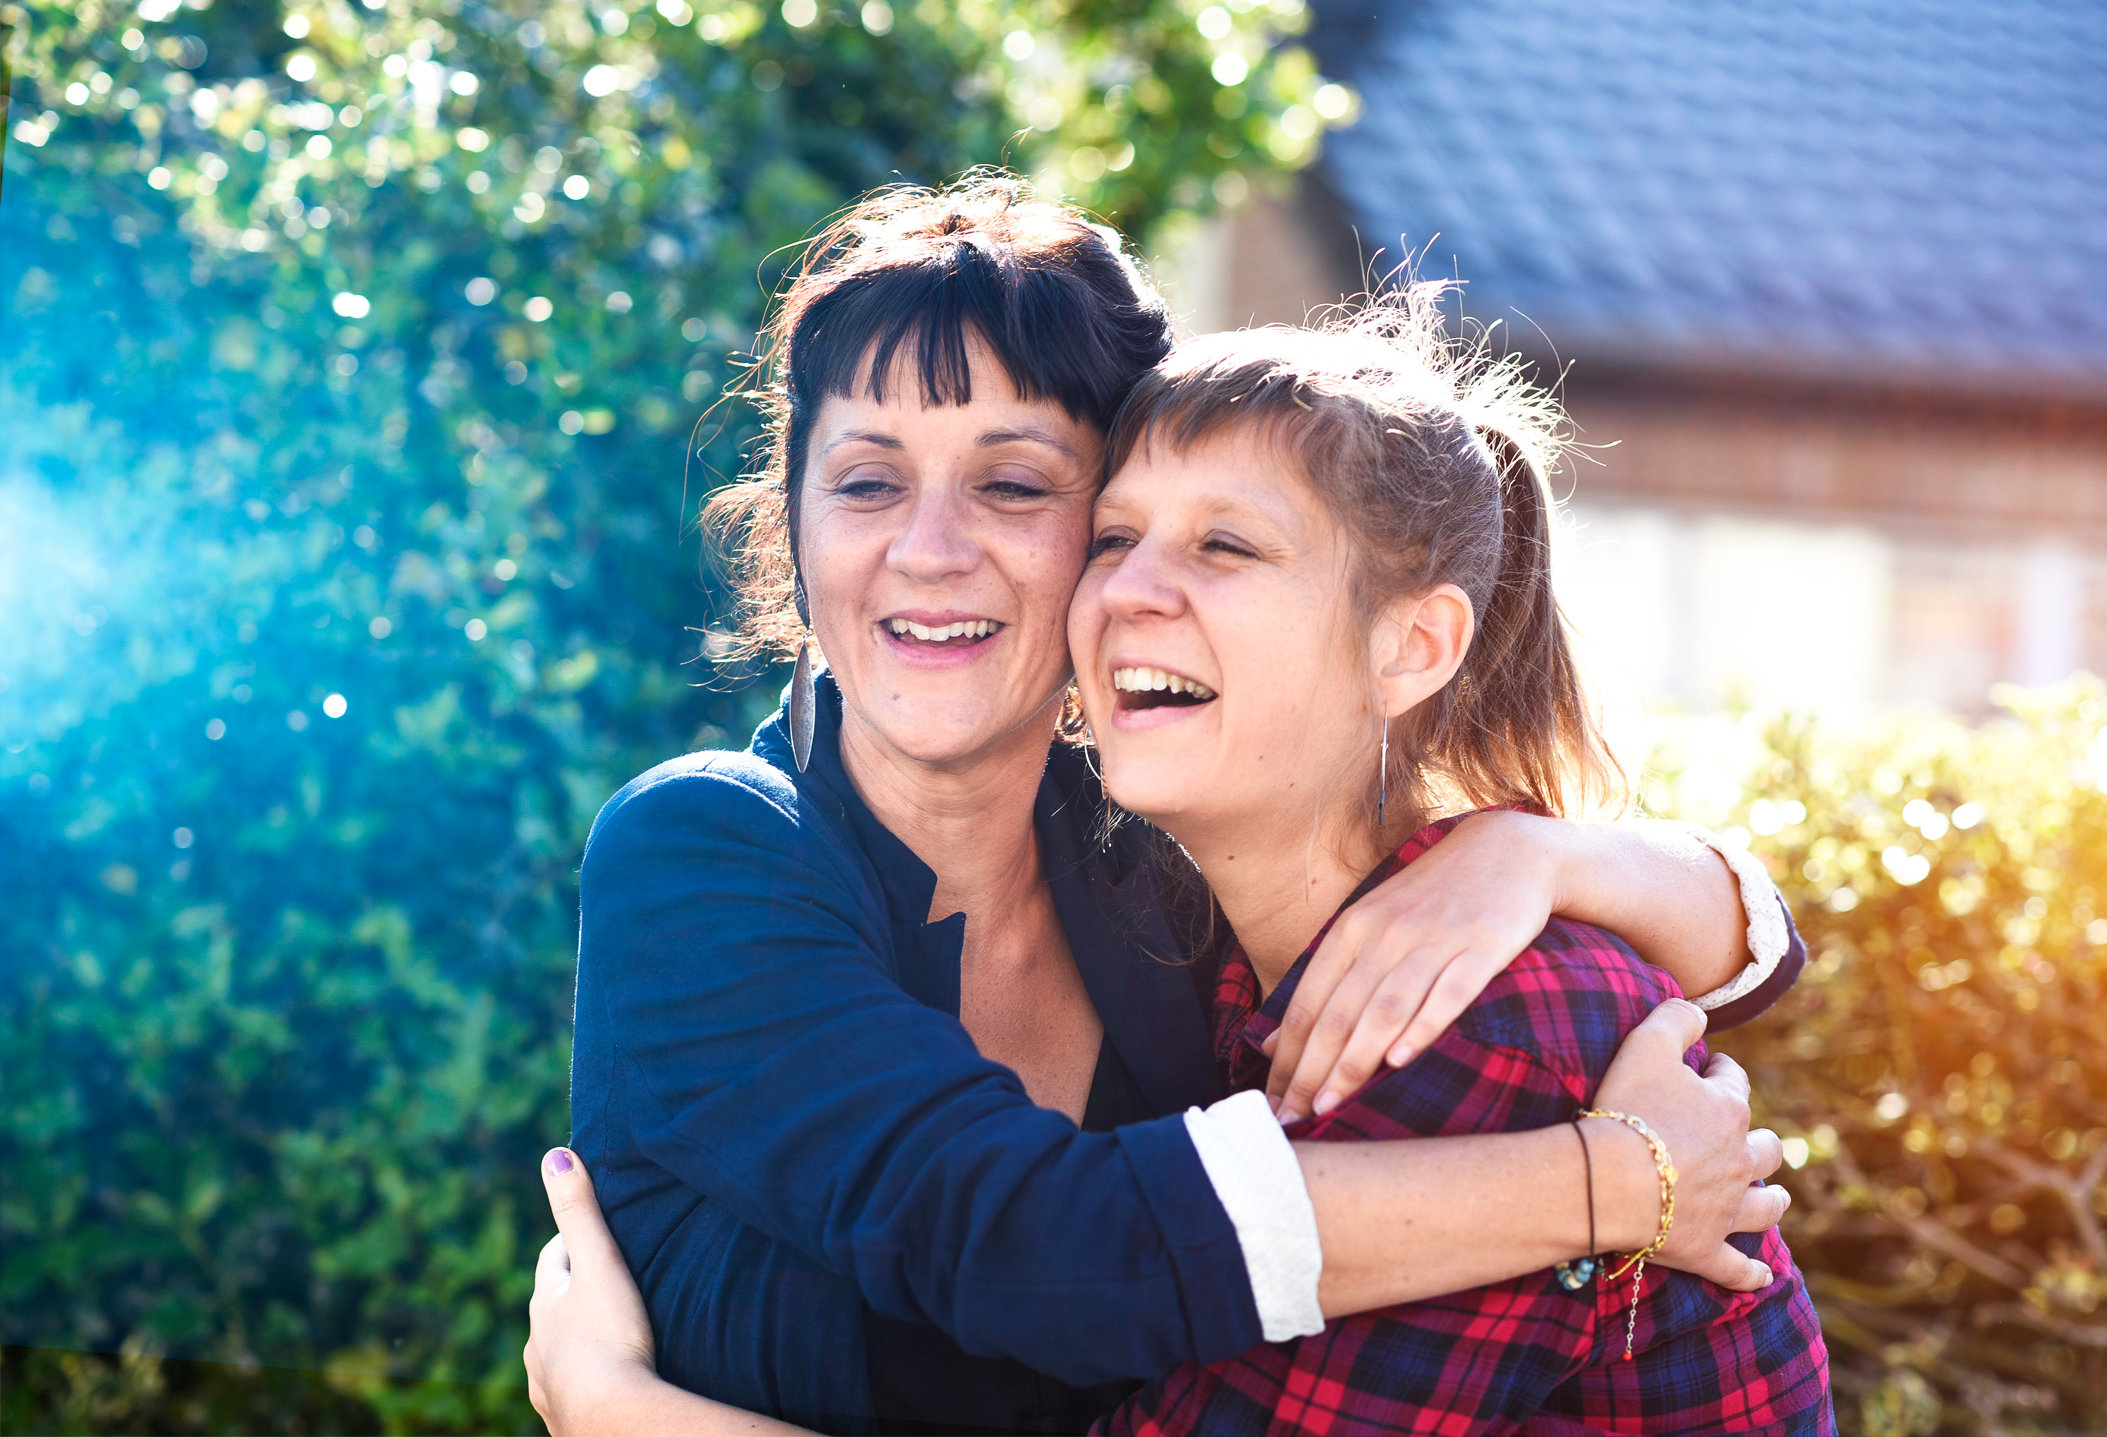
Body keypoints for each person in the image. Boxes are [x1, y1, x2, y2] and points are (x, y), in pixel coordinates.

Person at [560, 176, 1802, 1435]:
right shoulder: (705, 851)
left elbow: (1733, 968)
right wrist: (1614, 1182)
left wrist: (1534, 854)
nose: (928, 549)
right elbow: (1026, 1248)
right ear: (795, 518)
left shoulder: (1161, 854)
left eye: (1015, 487)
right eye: (868, 484)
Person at [1076, 299, 1833, 1433]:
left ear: (1411, 648)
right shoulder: (1215, 936)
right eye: (1111, 537)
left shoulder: (1485, 1022)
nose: (1128, 589)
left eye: (1223, 545)